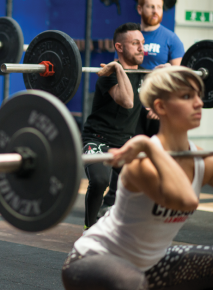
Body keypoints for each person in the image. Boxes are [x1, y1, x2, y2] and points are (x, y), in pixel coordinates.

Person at [62, 66, 213, 290]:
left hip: (151, 266)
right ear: (160, 106)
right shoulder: (141, 164)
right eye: (186, 97)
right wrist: (147, 146)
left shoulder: (202, 159)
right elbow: (186, 201)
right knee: (131, 283)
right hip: (93, 260)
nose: (199, 103)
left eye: (198, 96)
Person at [102, 0, 185, 215]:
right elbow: (117, 69)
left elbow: (178, 80)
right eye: (150, 6)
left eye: (158, 7)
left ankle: (156, 202)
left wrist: (162, 105)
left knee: (158, 154)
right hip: (132, 107)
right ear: (140, 9)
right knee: (126, 152)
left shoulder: (171, 39)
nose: (156, 11)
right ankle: (111, 202)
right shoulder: (129, 36)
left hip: (157, 108)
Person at [82, 23, 146, 229]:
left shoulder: (146, 74)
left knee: (141, 183)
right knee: (100, 180)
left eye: (142, 43)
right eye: (135, 43)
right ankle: (89, 229)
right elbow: (127, 102)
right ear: (119, 47)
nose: (141, 48)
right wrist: (118, 67)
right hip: (97, 139)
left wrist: (168, 72)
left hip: (123, 143)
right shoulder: (108, 75)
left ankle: (111, 212)